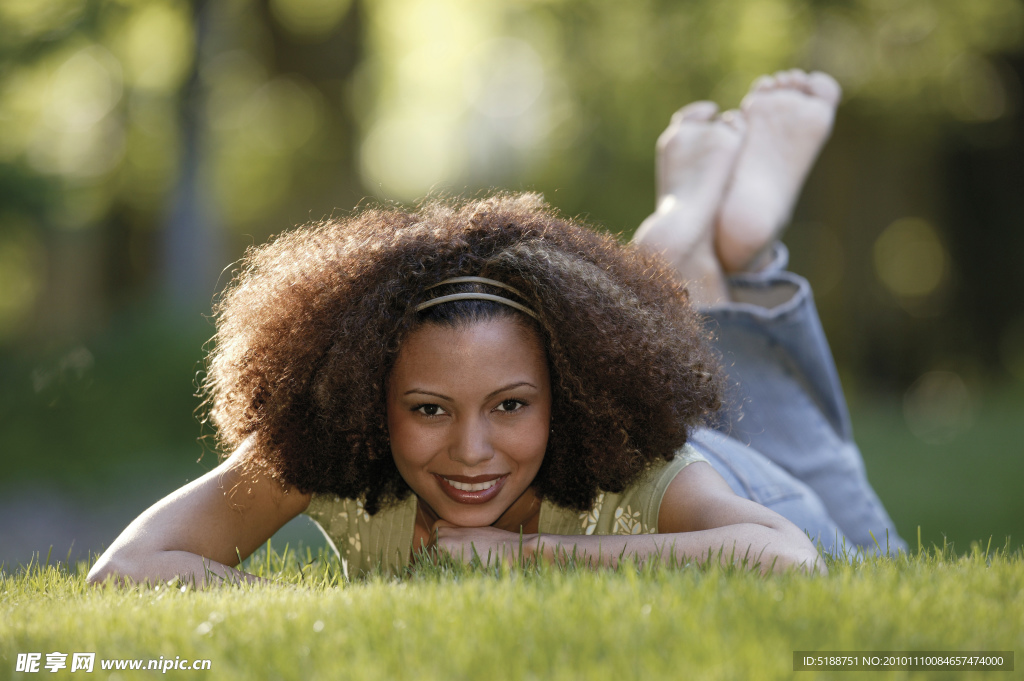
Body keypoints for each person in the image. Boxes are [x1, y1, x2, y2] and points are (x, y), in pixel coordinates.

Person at [87, 69, 903, 587]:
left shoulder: (643, 466)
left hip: (751, 491)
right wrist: (301, 611)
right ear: (371, 399)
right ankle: (692, 248)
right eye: (429, 408)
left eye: (510, 404)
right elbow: (123, 569)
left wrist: (526, 557)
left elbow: (791, 557)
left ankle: (735, 249)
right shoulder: (327, 445)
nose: (471, 451)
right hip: (667, 463)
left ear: (570, 392)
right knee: (686, 341)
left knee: (868, 547)